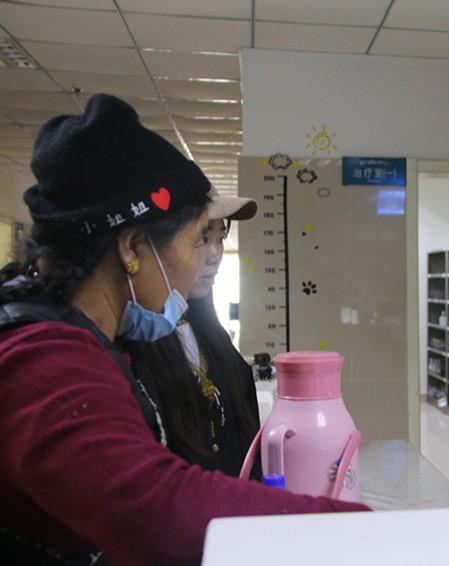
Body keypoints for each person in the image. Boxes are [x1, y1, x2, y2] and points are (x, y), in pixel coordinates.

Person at [0, 93, 368, 565]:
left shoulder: (77, 333)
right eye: (196, 241)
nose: (201, 263)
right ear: (133, 248)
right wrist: (352, 530)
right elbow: (153, 510)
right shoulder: (42, 359)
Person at [132, 190, 261, 478]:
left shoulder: (213, 335)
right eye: (202, 239)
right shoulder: (136, 340)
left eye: (219, 238)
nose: (215, 256)